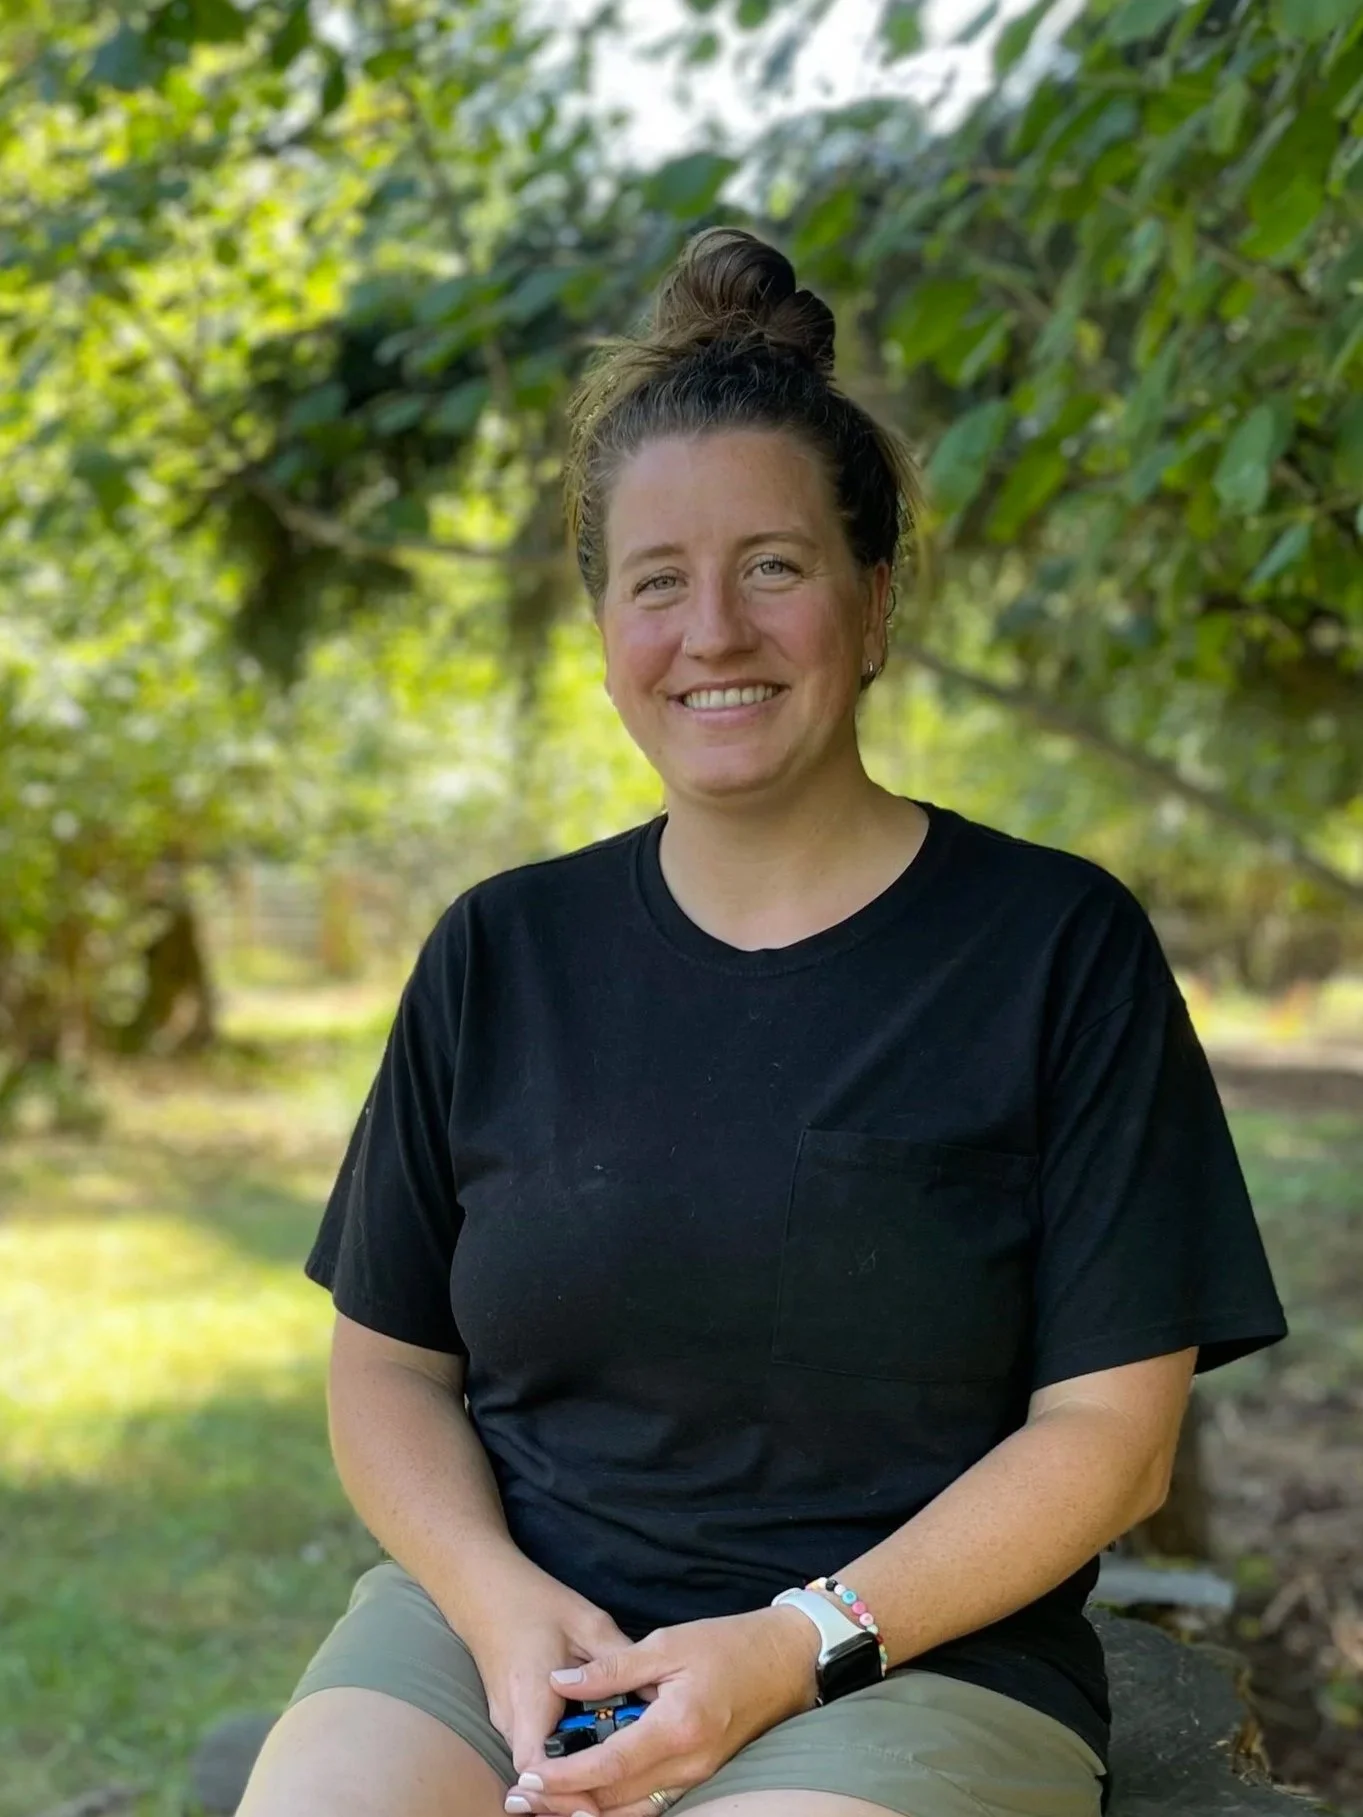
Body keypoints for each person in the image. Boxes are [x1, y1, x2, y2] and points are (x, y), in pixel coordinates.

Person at [237, 227, 1287, 1817]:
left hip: (902, 1662)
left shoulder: (1054, 946)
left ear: (871, 605)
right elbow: (386, 1370)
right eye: (657, 583)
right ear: (606, 634)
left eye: (772, 568)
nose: (712, 631)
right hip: (520, 1635)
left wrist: (791, 1646)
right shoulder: (496, 951)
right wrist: (493, 1602)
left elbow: (1109, 1437)